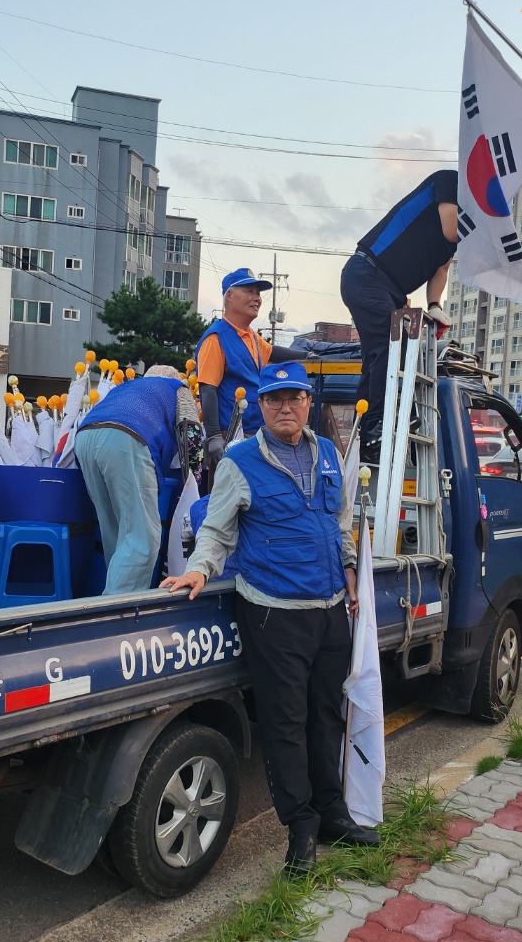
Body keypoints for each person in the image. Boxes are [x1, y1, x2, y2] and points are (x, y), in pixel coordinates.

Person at [161, 362, 378, 875]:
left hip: (330, 611)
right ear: (260, 407)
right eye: (274, 399)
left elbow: (339, 521)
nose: (285, 407)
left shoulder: (328, 452)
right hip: (273, 615)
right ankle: (300, 829)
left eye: (295, 398)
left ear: (308, 402)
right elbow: (217, 531)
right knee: (286, 726)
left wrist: (349, 565)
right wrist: (198, 570)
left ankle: (331, 814)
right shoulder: (239, 461)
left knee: (328, 718)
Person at [341, 170, 459, 461]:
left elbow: (441, 268)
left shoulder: (463, 224)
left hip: (389, 289)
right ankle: (377, 428)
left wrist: (434, 305)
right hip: (368, 272)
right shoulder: (451, 180)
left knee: (377, 359)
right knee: (393, 345)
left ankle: (368, 429)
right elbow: (450, 231)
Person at [75, 365, 199, 594]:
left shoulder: (125, 388)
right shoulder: (177, 388)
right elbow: (191, 433)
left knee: (115, 532)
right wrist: (197, 480)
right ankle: (114, 613)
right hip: (127, 438)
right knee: (144, 541)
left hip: (85, 438)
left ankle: (111, 599)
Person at [195, 268, 307, 474]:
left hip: (254, 433)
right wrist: (213, 436)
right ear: (229, 295)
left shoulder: (251, 337)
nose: (256, 298)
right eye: (249, 291)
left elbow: (273, 351)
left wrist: (307, 356)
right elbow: (208, 389)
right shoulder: (216, 338)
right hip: (231, 437)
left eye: (258, 293)